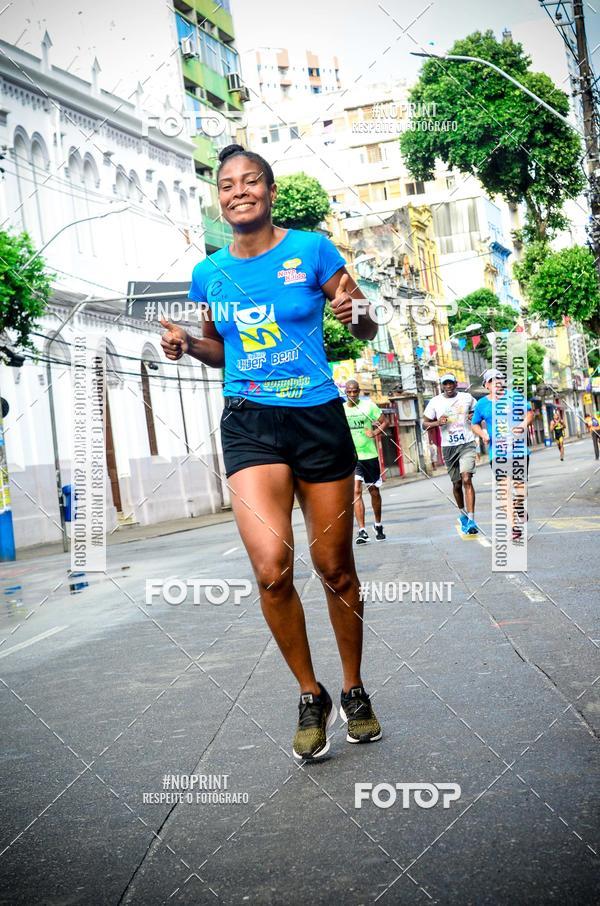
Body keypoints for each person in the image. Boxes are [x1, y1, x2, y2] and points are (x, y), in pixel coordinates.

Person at [160, 144, 382, 761]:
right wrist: (187, 345)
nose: (239, 191)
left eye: (250, 181)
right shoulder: (208, 273)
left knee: (335, 568)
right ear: (219, 199)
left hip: (317, 415)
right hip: (250, 422)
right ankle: (311, 695)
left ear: (270, 191)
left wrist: (356, 312)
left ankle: (354, 688)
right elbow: (220, 349)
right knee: (271, 569)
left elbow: (366, 326)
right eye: (227, 185)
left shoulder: (312, 249)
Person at [471, 369, 534, 541]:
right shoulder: (482, 404)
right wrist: (483, 434)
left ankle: (518, 505)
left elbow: (529, 414)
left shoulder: (515, 396)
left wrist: (521, 426)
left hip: (519, 451)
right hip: (497, 454)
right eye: (492, 380)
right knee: (504, 489)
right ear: (486, 385)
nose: (496, 382)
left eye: (499, 378)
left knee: (521, 491)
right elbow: (474, 424)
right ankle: (514, 527)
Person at [423, 373, 479, 535]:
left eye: (450, 383)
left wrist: (473, 416)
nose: (448, 386)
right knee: (457, 484)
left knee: (467, 478)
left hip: (467, 443)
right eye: (445, 384)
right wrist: (437, 422)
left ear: (455, 384)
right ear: (442, 386)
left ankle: (471, 519)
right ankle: (462, 514)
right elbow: (424, 423)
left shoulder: (467, 398)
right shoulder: (435, 402)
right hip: (448, 447)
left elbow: (477, 411)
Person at [343, 380, 389, 543]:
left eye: (355, 391)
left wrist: (375, 432)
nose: (352, 394)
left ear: (359, 391)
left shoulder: (368, 406)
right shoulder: (341, 409)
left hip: (369, 456)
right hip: (352, 457)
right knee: (356, 491)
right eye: (349, 392)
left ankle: (378, 524)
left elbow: (385, 421)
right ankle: (362, 530)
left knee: (374, 491)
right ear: (345, 392)